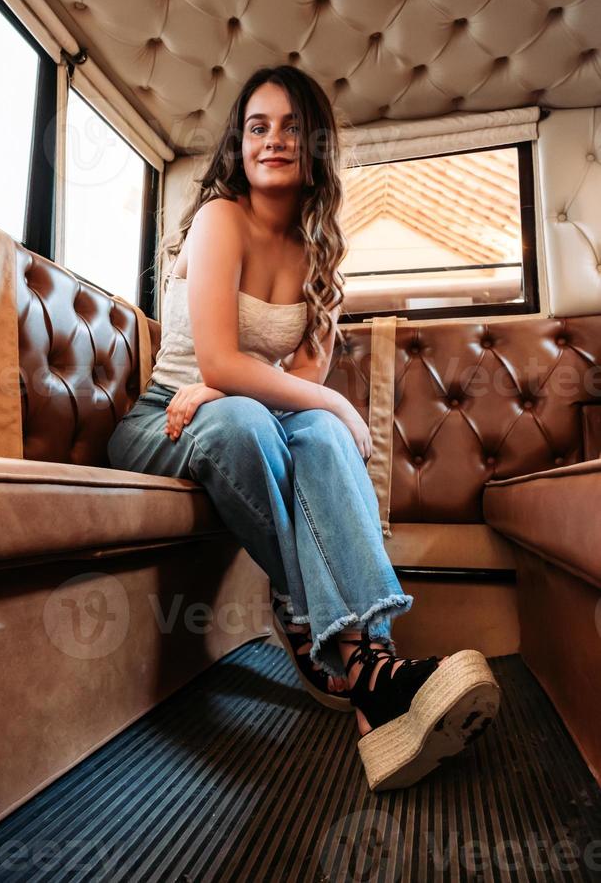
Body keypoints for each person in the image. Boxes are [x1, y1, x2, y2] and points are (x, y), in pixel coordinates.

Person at [107, 64, 500, 791]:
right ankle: (366, 660)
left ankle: (367, 689)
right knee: (263, 421)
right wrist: (326, 403)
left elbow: (300, 389)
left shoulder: (323, 253)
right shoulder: (220, 216)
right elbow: (223, 360)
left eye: (291, 127)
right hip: (162, 417)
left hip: (236, 411)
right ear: (239, 143)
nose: (273, 140)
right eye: (258, 126)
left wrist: (298, 405)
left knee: (312, 433)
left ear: (314, 143)